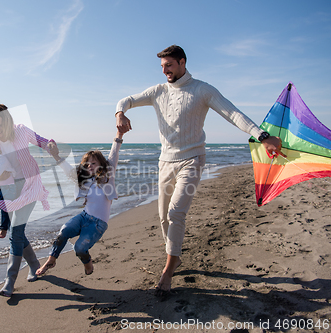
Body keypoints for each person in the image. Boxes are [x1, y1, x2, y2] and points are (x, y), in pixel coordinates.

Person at [115, 45, 283, 295]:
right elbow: (126, 100)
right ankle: (175, 255)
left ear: (182, 62)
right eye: (162, 67)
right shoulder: (157, 91)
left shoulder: (202, 89)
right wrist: (120, 113)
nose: (165, 71)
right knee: (163, 217)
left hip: (193, 159)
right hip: (165, 162)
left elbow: (232, 113)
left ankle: (168, 270)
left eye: (169, 65)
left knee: (176, 212)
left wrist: (262, 135)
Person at [0, 103, 55, 297]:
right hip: (9, 190)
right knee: (18, 231)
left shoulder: (21, 131)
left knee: (15, 232)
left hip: (30, 186)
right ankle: (34, 265)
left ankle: (10, 281)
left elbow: (40, 140)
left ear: (8, 121)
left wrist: (49, 145)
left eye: (1, 125)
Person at [36, 129, 124, 276]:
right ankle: (51, 260)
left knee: (79, 248)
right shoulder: (82, 181)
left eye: (94, 163)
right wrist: (56, 155)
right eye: (87, 164)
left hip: (98, 224)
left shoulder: (108, 175)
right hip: (84, 216)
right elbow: (67, 169)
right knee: (63, 232)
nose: (90, 166)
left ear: (102, 164)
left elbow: (113, 154)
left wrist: (119, 135)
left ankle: (88, 263)